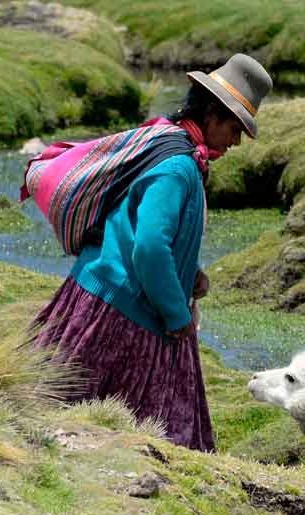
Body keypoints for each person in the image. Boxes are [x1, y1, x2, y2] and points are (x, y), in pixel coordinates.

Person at [33, 54, 272, 451]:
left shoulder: (168, 145)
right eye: (234, 129)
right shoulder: (177, 167)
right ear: (212, 115)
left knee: (58, 411)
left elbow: (154, 235)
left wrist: (189, 272)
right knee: (124, 434)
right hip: (122, 312)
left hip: (108, 293)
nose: (235, 141)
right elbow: (149, 247)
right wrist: (177, 314)